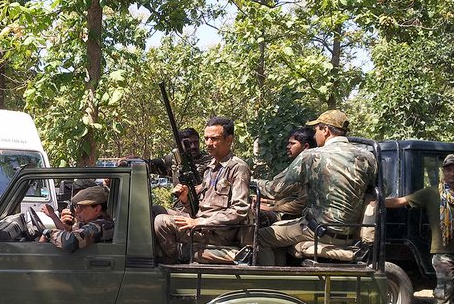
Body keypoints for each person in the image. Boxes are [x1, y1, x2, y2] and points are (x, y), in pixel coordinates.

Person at [256, 110, 377, 266]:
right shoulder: (368, 157)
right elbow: (378, 193)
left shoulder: (312, 156)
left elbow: (276, 189)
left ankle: (270, 284)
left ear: (326, 130)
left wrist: (254, 182)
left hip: (318, 231)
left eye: (316, 130)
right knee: (280, 228)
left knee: (260, 236)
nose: (314, 136)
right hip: (349, 234)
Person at [385, 154, 454, 304]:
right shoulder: (432, 193)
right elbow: (401, 201)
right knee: (444, 293)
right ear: (443, 172)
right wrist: (375, 200)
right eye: (448, 169)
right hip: (442, 251)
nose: (452, 173)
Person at [154, 116, 251, 263]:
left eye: (214, 139)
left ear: (229, 140)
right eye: (206, 139)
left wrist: (200, 222)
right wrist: (186, 199)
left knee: (161, 222)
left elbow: (239, 209)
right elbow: (201, 206)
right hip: (201, 224)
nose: (208, 143)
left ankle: (174, 263)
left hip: (217, 232)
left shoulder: (238, 168)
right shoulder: (210, 168)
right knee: (155, 210)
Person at [256, 127, 317, 222]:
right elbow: (292, 197)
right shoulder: (307, 162)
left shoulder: (308, 165)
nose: (288, 147)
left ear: (306, 147)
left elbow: (300, 204)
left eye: (292, 143)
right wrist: (268, 202)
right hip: (298, 215)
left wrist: (271, 208)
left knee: (260, 228)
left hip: (302, 219)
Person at [39, 185, 113, 252]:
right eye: (76, 207)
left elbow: (71, 241)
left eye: (81, 207)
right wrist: (67, 227)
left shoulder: (102, 225)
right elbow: (72, 232)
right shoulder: (91, 223)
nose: (77, 211)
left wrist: (48, 233)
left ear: (97, 209)